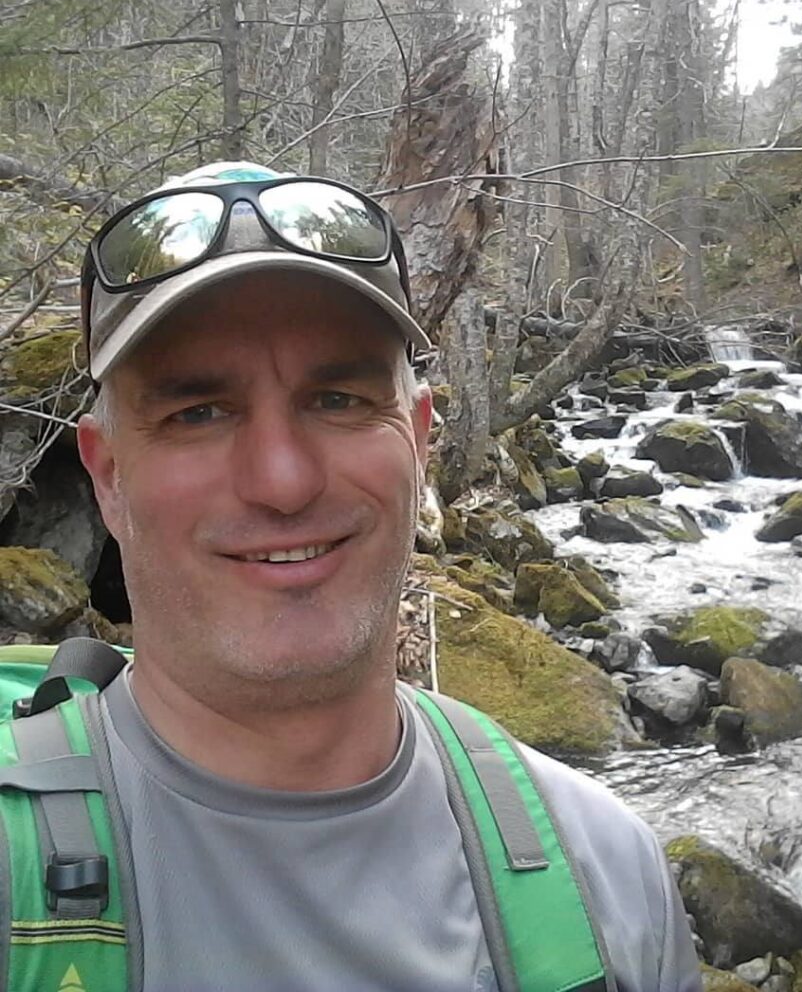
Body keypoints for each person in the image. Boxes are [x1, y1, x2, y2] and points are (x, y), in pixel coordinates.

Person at [55, 161, 700, 991]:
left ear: (422, 442)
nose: (282, 482)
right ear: (107, 476)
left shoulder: (609, 879)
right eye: (198, 413)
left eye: (339, 400)